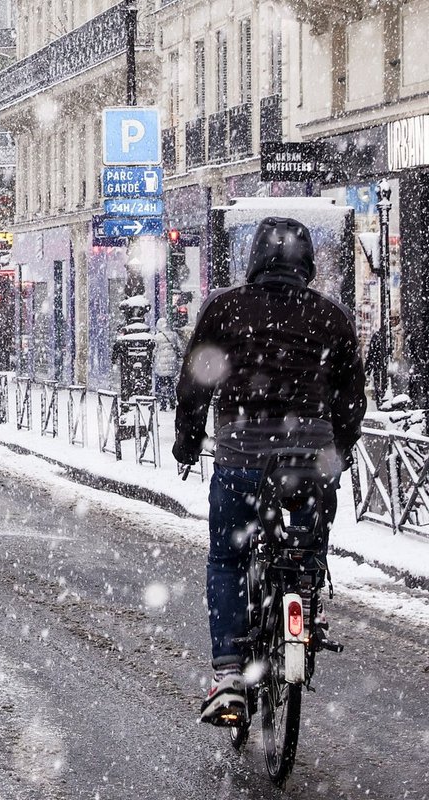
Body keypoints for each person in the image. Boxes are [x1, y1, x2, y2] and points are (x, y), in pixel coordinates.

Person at [172, 217, 366, 726]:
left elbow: (195, 385)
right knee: (305, 546)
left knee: (228, 560)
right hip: (309, 459)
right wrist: (336, 454)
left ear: (255, 259)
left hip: (241, 456)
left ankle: (230, 674)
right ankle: (304, 599)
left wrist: (188, 443)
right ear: (307, 264)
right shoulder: (331, 318)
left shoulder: (226, 309)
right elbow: (351, 400)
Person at [153, 318, 184, 411]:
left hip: (160, 364)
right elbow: (180, 348)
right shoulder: (174, 335)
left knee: (162, 384)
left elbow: (154, 351)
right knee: (170, 383)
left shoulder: (157, 337)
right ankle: (172, 402)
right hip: (172, 364)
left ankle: (163, 404)